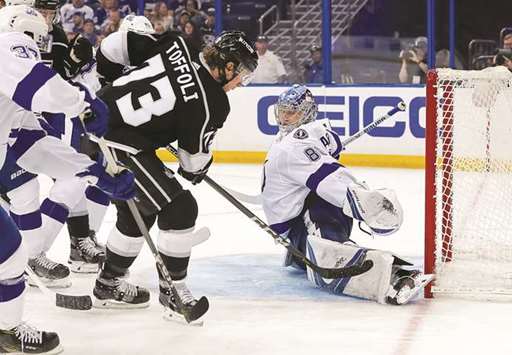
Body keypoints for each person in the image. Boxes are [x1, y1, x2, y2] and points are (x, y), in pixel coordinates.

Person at [91, 30, 258, 323]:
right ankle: (174, 292)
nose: (239, 82)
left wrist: (107, 84)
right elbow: (192, 165)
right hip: (115, 145)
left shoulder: (176, 43)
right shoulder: (213, 103)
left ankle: (108, 284)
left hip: (90, 121)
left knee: (138, 213)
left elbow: (113, 44)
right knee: (180, 208)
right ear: (228, 66)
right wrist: (199, 167)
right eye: (241, 73)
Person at [0, 5, 135, 353]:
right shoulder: (10, 42)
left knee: (11, 256)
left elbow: (30, 141)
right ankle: (7, 330)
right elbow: (37, 84)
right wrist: (82, 104)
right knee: (11, 254)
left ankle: (7, 331)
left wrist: (89, 169)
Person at [261, 84, 434, 305]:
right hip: (295, 228)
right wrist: (368, 205)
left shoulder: (295, 139)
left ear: (307, 113)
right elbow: (331, 179)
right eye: (282, 111)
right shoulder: (292, 144)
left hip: (291, 225)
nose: (284, 117)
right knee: (324, 198)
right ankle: (386, 278)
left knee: (321, 197)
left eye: (291, 111)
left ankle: (313, 248)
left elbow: (326, 146)